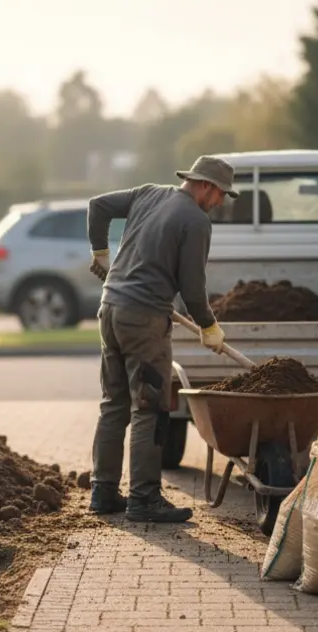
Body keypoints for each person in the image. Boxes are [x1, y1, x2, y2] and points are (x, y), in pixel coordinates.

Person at [85, 155, 235, 523]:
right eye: (220, 195)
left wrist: (100, 252)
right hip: (144, 321)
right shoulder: (196, 221)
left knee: (113, 405)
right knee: (149, 408)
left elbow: (97, 206)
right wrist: (209, 326)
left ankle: (102, 493)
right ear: (205, 186)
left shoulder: (147, 193)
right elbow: (192, 288)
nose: (219, 204)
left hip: (110, 309)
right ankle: (144, 499)